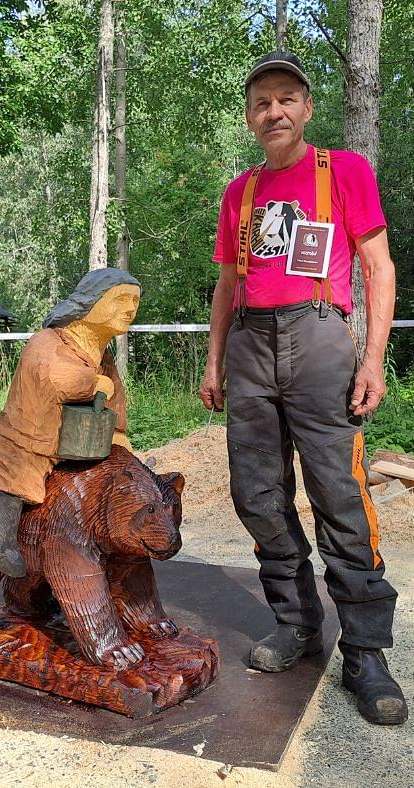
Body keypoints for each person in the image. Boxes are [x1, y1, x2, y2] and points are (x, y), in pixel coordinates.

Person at [199, 52, 407, 725]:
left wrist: (371, 359)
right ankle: (297, 623)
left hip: (320, 338)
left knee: (338, 494)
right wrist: (213, 361)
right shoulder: (243, 192)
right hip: (251, 344)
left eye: (286, 98)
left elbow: (377, 266)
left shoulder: (343, 170)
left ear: (307, 107)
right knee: (256, 493)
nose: (274, 112)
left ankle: (367, 653)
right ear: (250, 118)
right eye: (262, 103)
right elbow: (229, 283)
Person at [0, 268, 140, 577]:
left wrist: (118, 432)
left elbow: (115, 395)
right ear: (90, 301)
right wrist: (91, 382)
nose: (130, 308)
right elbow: (53, 376)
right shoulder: (48, 341)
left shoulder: (102, 353)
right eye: (120, 299)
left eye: (135, 300)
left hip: (78, 439)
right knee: (15, 478)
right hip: (30, 438)